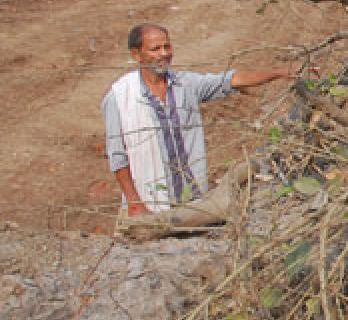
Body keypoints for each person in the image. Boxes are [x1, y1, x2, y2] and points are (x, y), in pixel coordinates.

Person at [102, 23, 297, 216]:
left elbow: (231, 80)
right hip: (150, 207)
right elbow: (118, 157)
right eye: (155, 49)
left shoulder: (186, 85)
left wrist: (278, 73)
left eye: (167, 47)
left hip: (193, 204)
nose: (164, 53)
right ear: (136, 55)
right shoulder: (120, 97)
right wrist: (135, 204)